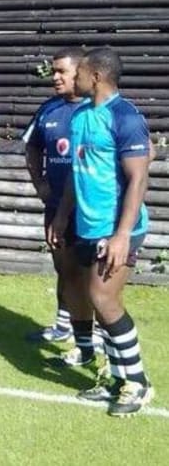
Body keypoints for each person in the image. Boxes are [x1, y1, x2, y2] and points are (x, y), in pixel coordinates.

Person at [50, 47, 155, 417]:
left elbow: (139, 176)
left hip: (118, 228)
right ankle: (113, 379)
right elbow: (74, 176)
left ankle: (138, 383)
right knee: (88, 296)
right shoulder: (80, 117)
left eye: (79, 72)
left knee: (104, 298)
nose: (72, 77)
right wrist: (62, 217)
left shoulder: (124, 116)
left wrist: (122, 234)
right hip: (85, 225)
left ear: (95, 76)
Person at [23, 47, 89, 349]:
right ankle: (64, 325)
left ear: (81, 73)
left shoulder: (95, 110)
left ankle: (93, 334)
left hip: (88, 208)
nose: (55, 77)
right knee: (63, 267)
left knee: (87, 272)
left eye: (62, 71)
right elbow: (32, 148)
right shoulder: (48, 108)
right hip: (55, 205)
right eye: (54, 71)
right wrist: (40, 184)